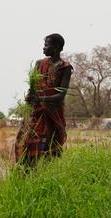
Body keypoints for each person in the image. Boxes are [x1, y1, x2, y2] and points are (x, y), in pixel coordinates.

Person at [14, 33, 73, 166]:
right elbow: (32, 88)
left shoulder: (65, 67)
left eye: (47, 45)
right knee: (25, 140)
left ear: (56, 47)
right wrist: (30, 97)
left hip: (52, 114)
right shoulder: (39, 64)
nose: (43, 48)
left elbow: (60, 96)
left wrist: (40, 99)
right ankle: (25, 171)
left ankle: (47, 172)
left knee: (49, 144)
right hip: (35, 112)